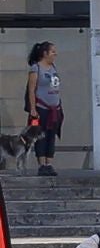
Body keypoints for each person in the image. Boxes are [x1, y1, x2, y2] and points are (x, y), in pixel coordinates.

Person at [25, 41, 60, 174]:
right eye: (52, 51)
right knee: (40, 135)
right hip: (41, 108)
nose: (55, 54)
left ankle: (49, 163)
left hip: (54, 109)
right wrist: (33, 108)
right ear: (45, 53)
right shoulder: (36, 68)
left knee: (51, 135)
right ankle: (41, 164)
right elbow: (31, 90)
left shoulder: (53, 68)